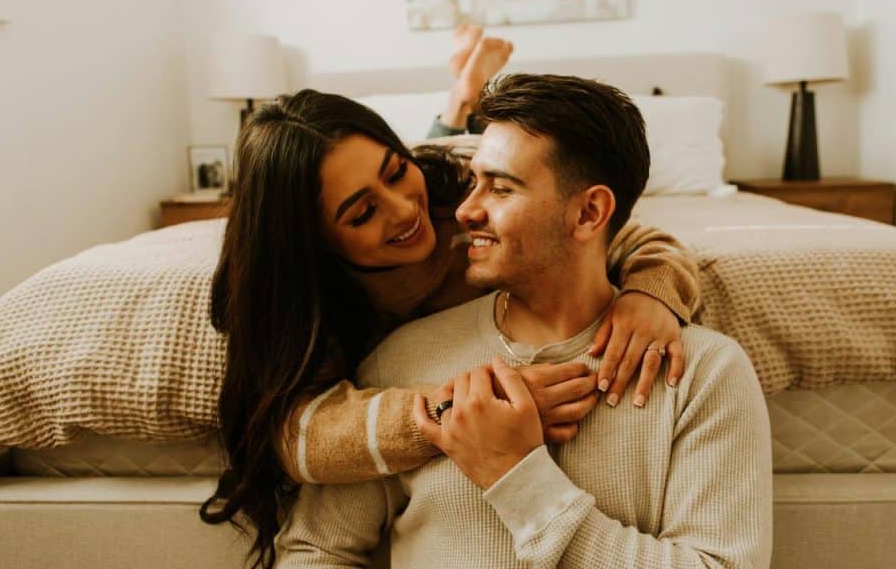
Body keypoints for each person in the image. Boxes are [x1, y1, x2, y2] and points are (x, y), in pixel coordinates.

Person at [200, 31, 702, 569]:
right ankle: (462, 91)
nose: (401, 212)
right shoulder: (315, 305)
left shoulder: (459, 193)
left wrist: (651, 293)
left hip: (446, 161)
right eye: (361, 214)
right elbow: (301, 435)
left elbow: (622, 235)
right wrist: (457, 413)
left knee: (444, 152)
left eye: (394, 171)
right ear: (314, 243)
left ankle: (462, 102)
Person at [274, 74, 772, 568]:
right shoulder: (396, 363)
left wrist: (514, 474)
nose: (464, 211)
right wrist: (442, 416)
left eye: (500, 188)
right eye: (473, 182)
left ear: (589, 213)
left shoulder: (704, 372)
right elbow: (315, 550)